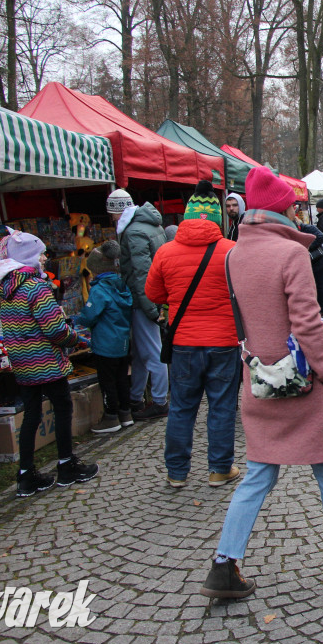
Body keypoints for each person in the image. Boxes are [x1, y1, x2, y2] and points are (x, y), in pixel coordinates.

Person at [200, 166, 323, 600]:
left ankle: (224, 565)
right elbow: (306, 323)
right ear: (283, 208)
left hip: (259, 379)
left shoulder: (233, 254)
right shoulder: (291, 254)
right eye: (293, 205)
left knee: (259, 474)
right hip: (303, 381)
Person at [145, 190, 241, 488]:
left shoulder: (165, 251)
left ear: (186, 216)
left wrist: (175, 299)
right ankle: (219, 469)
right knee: (222, 407)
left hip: (183, 342)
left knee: (182, 408)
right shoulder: (231, 250)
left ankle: (176, 473)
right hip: (224, 342)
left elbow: (153, 294)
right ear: (217, 218)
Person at [0, 229, 98, 497]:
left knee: (31, 415)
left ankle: (26, 474)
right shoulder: (35, 287)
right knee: (63, 407)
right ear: (27, 255)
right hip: (45, 361)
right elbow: (55, 329)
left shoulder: (7, 288)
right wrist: (75, 338)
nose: (44, 258)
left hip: (22, 362)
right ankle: (66, 465)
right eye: (39, 253)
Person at [109, 187, 169, 420]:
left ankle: (160, 400)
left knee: (152, 352)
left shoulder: (133, 232)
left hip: (144, 300)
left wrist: (150, 309)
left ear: (118, 212)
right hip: (153, 297)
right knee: (143, 352)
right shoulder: (150, 225)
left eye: (112, 214)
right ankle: (137, 397)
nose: (112, 219)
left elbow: (141, 274)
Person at [77, 240, 134, 434]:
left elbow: (89, 316)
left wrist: (79, 318)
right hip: (123, 342)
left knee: (107, 381)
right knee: (122, 379)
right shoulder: (122, 286)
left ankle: (111, 417)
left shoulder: (100, 290)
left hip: (105, 345)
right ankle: (125, 413)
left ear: (96, 269)